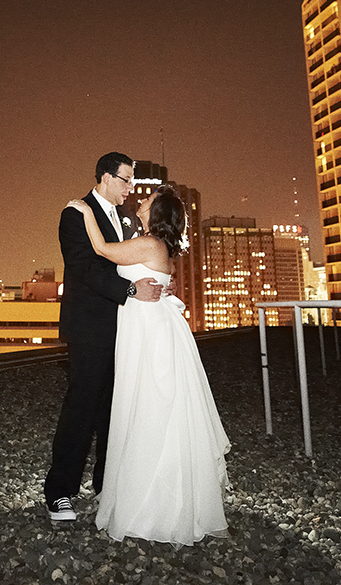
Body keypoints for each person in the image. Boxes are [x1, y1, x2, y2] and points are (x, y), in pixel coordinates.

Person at [65, 185, 230, 546]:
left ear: (156, 214)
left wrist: (83, 210)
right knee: (153, 409)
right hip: (149, 329)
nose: (140, 201)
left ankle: (152, 506)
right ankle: (159, 498)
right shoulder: (154, 244)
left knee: (147, 408)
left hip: (149, 335)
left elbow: (101, 249)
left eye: (148, 201)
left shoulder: (150, 244)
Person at [45, 152, 163, 522]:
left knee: (116, 409)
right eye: (126, 180)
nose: (130, 188)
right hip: (90, 327)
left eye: (132, 181)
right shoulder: (75, 214)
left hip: (127, 329)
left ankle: (106, 485)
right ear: (104, 177)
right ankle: (59, 491)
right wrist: (130, 292)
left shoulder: (127, 218)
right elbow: (83, 270)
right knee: (82, 406)